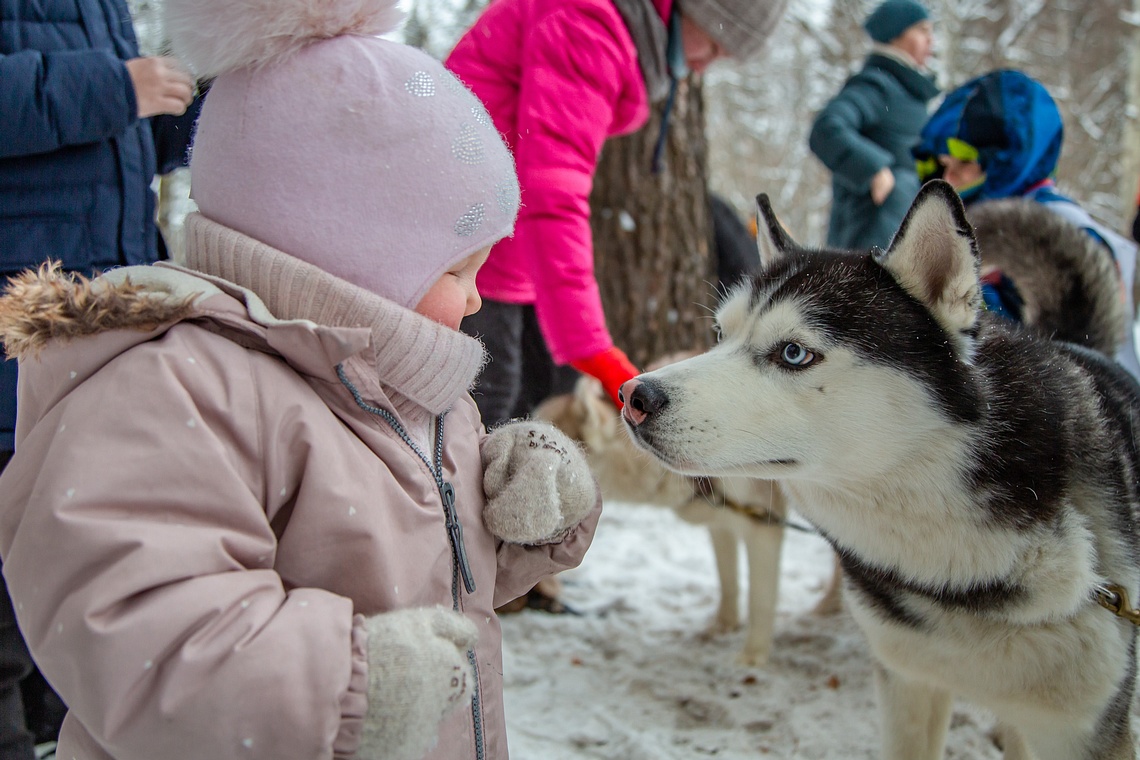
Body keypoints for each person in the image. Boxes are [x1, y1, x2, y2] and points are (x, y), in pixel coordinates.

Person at [0, 0, 603, 757]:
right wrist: (348, 689)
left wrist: (521, 519)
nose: (479, 298)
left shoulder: (410, 387)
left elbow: (428, 563)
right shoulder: (172, 394)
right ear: (350, 260)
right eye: (457, 269)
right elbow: (141, 633)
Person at [0, 1, 200, 757]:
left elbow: (101, 144)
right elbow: (94, 98)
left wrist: (187, 112)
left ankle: (61, 731)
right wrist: (115, 89)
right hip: (18, 315)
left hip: (95, 316)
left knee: (70, 555)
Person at [446, 0, 788, 429]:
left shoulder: (616, 28)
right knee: (486, 405)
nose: (704, 66)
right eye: (715, 44)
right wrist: (591, 346)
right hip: (469, 234)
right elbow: (553, 190)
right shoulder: (589, 25)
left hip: (502, 242)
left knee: (538, 390)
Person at [912, 68, 1140, 377]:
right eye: (943, 165)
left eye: (965, 162)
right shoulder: (990, 221)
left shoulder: (1056, 230)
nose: (950, 177)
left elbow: (1072, 359)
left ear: (1008, 160)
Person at [808, 0, 939, 251]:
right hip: (869, 242)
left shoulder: (907, 91)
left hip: (903, 242)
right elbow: (826, 129)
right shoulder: (876, 86)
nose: (931, 40)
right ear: (895, 33)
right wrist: (875, 170)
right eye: (922, 30)